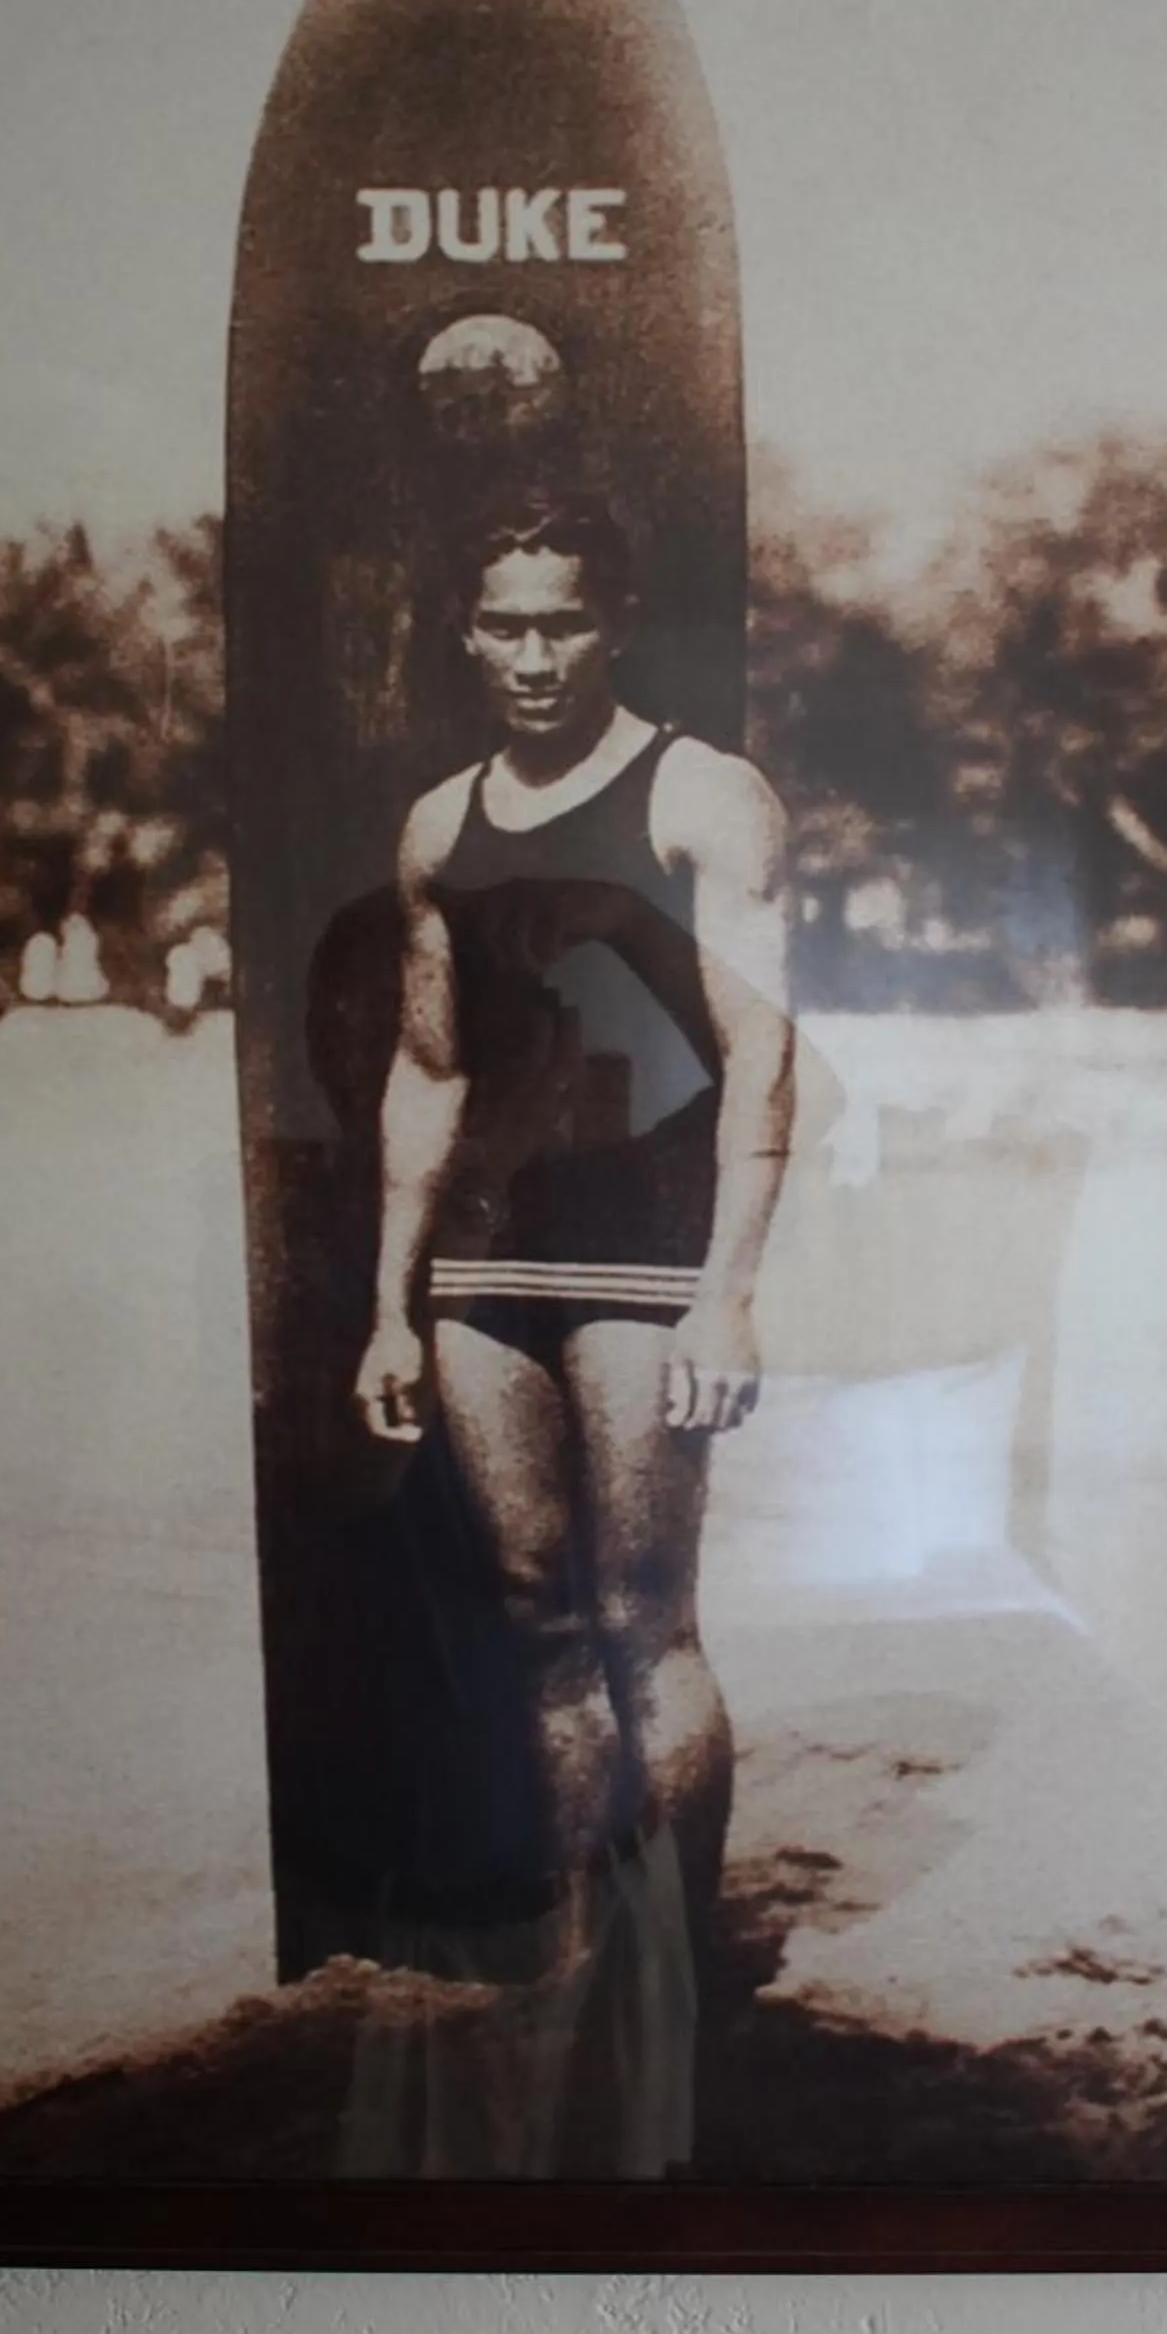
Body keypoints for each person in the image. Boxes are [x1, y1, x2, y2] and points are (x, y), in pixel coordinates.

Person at [350, 487, 795, 2166]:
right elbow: (430, 1069)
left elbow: (762, 1050)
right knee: (536, 1623)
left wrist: (730, 1285)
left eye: (563, 622)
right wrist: (389, 1306)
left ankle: (676, 1970)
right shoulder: (437, 825)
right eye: (504, 625)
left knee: (642, 1615)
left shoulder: (701, 793)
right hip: (483, 1264)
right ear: (467, 633)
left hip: (644, 1249)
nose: (533, 655)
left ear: (612, 623)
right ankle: (580, 1947)